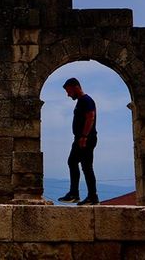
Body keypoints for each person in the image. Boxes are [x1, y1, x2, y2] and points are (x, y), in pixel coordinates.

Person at [57, 77, 99, 205]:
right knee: (81, 165)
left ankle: (81, 195)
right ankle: (84, 195)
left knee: (79, 164)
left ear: (76, 87)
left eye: (69, 91)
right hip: (81, 138)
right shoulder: (81, 101)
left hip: (85, 138)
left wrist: (84, 137)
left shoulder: (86, 100)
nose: (68, 94)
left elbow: (90, 117)